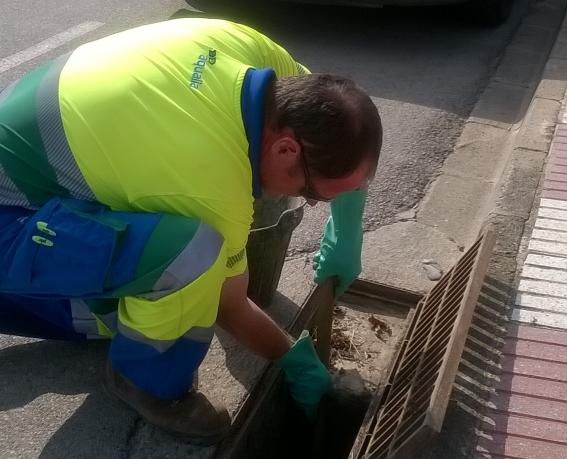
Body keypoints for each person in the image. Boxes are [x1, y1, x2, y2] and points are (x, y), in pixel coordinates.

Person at [0, 18, 382, 443]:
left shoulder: (258, 59)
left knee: (186, 259)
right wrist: (291, 357)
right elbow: (229, 306)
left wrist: (349, 229)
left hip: (42, 163)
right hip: (10, 217)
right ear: (286, 148)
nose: (310, 202)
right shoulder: (210, 180)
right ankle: (143, 381)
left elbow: (343, 123)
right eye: (313, 194)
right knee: (192, 259)